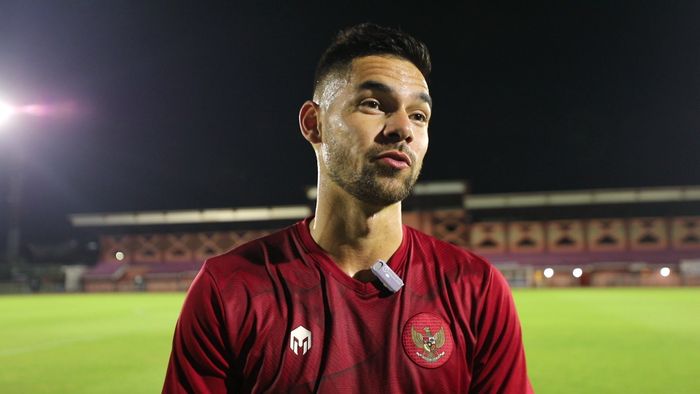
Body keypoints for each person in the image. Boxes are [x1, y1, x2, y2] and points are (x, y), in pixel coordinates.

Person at [163, 23, 533, 393]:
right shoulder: (229, 289)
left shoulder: (476, 289)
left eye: (419, 115)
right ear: (314, 123)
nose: (403, 128)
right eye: (373, 104)